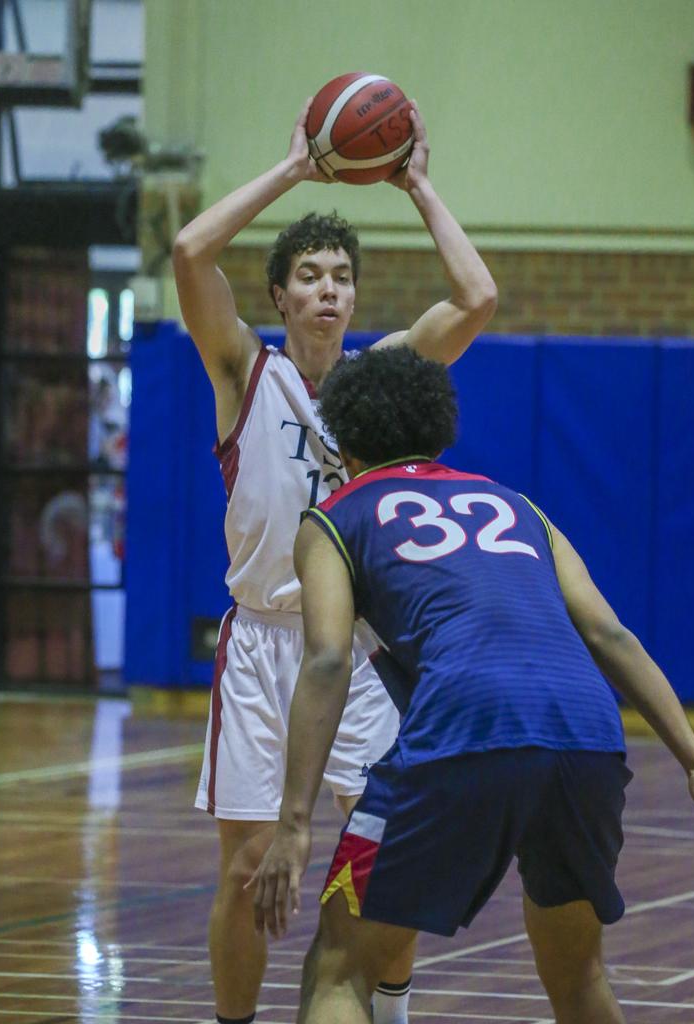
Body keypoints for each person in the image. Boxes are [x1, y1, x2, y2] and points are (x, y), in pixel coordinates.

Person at [252, 346, 694, 1024]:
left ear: (344, 440)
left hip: (464, 725)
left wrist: (294, 823)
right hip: (587, 735)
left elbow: (327, 661)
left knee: (339, 967)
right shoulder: (517, 505)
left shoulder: (333, 518)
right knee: (580, 975)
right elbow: (611, 636)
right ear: (438, 430)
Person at [171, 98, 497, 1024]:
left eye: (341, 276)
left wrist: (418, 184)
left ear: (353, 297)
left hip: (356, 654)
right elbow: (192, 251)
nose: (327, 289)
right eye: (309, 275)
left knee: (375, 871)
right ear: (279, 295)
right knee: (245, 872)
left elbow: (477, 299)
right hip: (265, 646)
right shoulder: (243, 370)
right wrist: (293, 172)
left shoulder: (383, 379)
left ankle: (381, 1008)